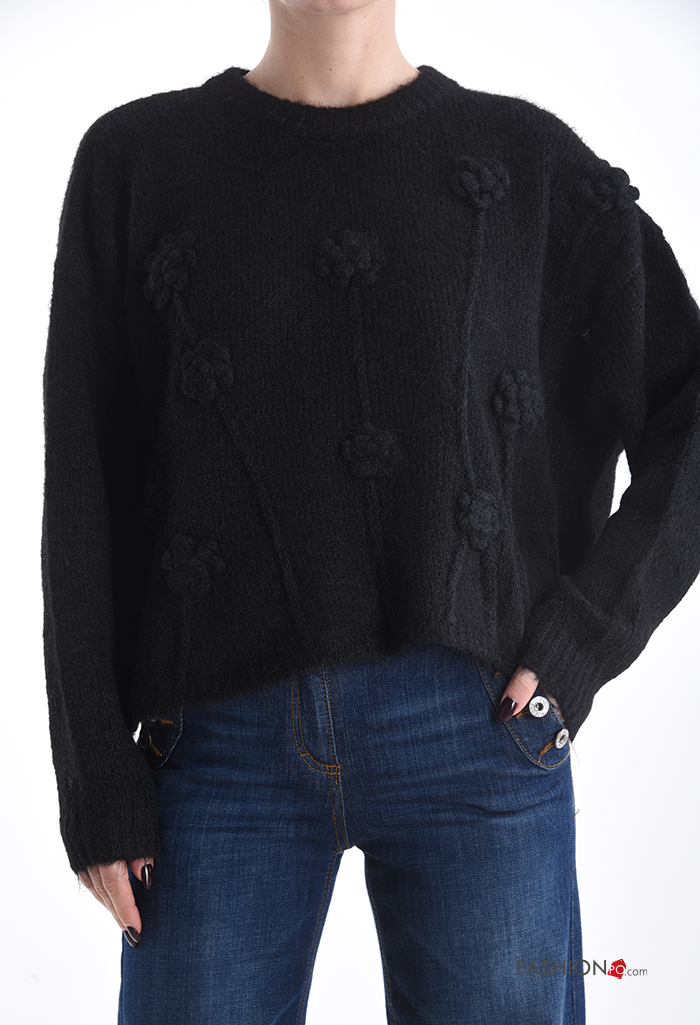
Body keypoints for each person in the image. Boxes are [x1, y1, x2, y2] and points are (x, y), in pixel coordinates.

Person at [40, 1, 700, 1023]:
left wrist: (584, 635)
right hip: (213, 756)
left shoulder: (528, 166)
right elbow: (84, 475)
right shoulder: (136, 162)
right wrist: (94, 773)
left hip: (478, 734)